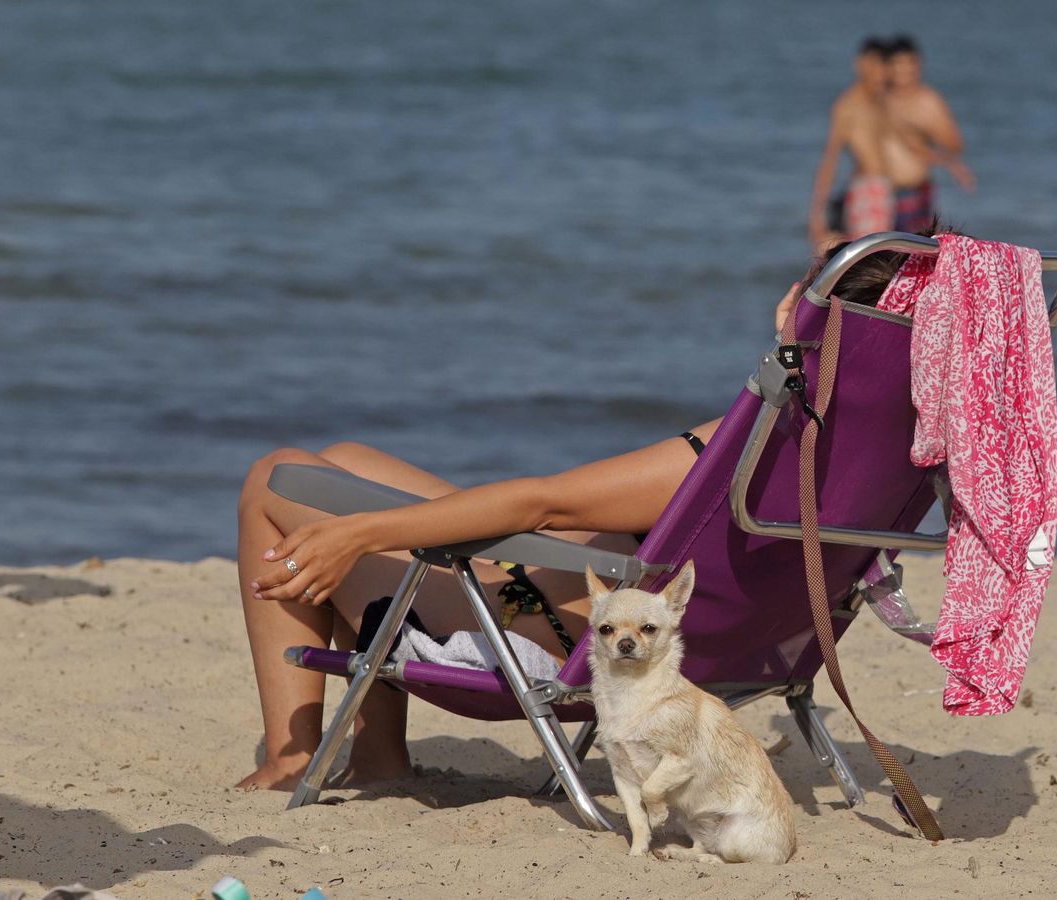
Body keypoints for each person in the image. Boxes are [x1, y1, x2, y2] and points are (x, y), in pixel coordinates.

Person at [232, 236, 934, 791]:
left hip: (541, 627)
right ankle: (380, 754)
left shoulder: (743, 447)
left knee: (278, 480)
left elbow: (540, 501)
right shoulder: (895, 455)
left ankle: (293, 758)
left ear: (807, 316)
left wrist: (357, 536)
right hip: (729, 650)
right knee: (348, 459)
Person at [807, 38, 897, 249]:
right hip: (868, 191)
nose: (879, 72)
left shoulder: (883, 100)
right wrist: (816, 213)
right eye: (873, 64)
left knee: (885, 257)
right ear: (860, 64)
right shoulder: (848, 105)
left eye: (883, 65)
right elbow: (831, 158)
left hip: (886, 191)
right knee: (870, 258)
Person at [881, 35, 974, 234]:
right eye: (897, 63)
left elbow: (955, 143)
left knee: (908, 255)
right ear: (887, 67)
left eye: (908, 63)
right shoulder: (880, 98)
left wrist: (922, 128)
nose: (902, 69)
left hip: (913, 192)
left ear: (918, 64)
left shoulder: (928, 100)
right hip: (880, 193)